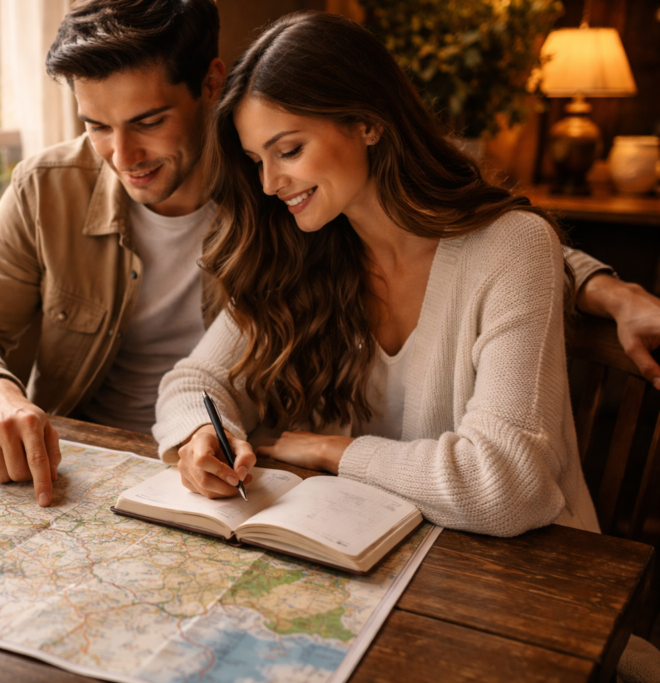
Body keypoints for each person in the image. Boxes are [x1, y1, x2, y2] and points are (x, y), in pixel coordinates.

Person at [0, 0, 660, 510]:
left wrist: (602, 285)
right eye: (95, 126)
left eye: (147, 120)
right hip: (184, 491)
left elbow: (495, 243)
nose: (120, 155)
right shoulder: (299, 229)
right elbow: (190, 380)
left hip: (469, 550)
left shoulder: (295, 211)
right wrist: (197, 431)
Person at [153, 10, 598, 537]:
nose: (269, 184)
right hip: (362, 547)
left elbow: (506, 485)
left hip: (523, 568)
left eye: (289, 150)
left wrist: (335, 452)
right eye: (256, 160)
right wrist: (203, 434)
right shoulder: (299, 250)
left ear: (368, 122)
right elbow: (195, 382)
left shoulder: (512, 247)